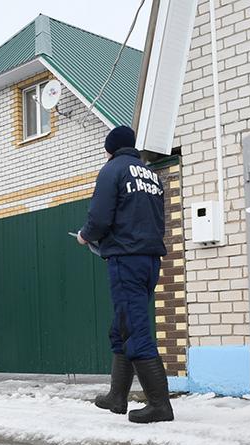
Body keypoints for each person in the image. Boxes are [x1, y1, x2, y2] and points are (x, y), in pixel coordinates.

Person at [77, 125, 173, 423]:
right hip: (149, 259)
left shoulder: (113, 170)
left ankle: (160, 405)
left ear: (110, 148)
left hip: (126, 259)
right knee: (121, 327)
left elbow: (100, 216)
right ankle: (116, 397)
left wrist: (85, 235)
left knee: (134, 329)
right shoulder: (151, 175)